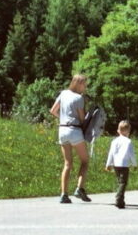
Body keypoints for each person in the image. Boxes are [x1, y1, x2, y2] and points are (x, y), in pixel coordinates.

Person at [50, 73, 92, 204]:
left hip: (62, 130)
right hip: (74, 131)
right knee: (85, 161)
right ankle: (79, 188)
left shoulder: (63, 93)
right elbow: (82, 118)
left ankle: (63, 194)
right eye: (84, 84)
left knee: (67, 163)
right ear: (79, 83)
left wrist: (63, 119)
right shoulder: (79, 98)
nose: (85, 87)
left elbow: (53, 111)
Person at [106, 119, 138, 209]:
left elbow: (111, 153)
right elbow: (132, 154)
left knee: (120, 182)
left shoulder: (114, 141)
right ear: (128, 131)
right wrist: (135, 164)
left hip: (116, 164)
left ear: (118, 131)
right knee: (123, 182)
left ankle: (121, 200)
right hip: (124, 165)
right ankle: (119, 199)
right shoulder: (128, 141)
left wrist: (108, 164)